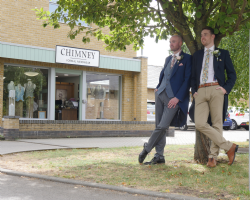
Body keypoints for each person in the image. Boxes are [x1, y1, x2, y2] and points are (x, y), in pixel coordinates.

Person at [138, 35, 192, 165]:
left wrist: (177, 98)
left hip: (174, 98)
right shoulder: (168, 58)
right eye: (170, 42)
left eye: (173, 41)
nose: (171, 44)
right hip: (160, 94)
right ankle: (159, 156)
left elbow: (187, 80)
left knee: (163, 125)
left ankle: (147, 148)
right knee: (158, 126)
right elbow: (164, 75)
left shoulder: (188, 59)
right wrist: (157, 88)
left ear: (180, 43)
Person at [190, 26, 237, 167]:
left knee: (217, 123)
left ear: (212, 36)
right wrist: (194, 91)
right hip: (201, 91)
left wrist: (225, 89)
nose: (202, 37)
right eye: (201, 35)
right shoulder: (197, 55)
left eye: (205, 34)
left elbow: (232, 75)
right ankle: (229, 146)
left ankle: (212, 157)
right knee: (199, 123)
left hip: (216, 89)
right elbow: (193, 76)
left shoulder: (223, 53)